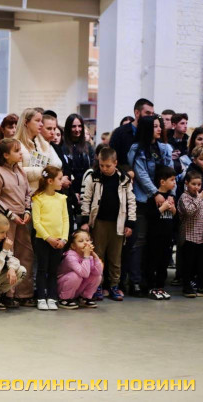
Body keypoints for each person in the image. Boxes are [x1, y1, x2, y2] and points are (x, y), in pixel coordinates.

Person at [80, 147, 136, 302]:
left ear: (115, 163)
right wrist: (85, 220)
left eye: (108, 166)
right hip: (99, 223)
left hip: (118, 223)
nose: (104, 169)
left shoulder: (124, 179)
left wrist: (130, 222)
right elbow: (86, 199)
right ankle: (97, 285)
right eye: (101, 165)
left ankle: (114, 285)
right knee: (97, 255)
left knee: (115, 257)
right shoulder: (93, 178)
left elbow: (131, 201)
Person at [127, 114, 173, 297]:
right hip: (144, 200)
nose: (160, 129)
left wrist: (170, 195)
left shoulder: (164, 148)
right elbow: (141, 174)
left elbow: (170, 173)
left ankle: (154, 282)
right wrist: (155, 193)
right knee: (140, 241)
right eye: (155, 126)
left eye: (160, 125)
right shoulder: (136, 149)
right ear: (147, 129)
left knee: (158, 242)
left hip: (164, 200)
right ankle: (136, 281)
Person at [0, 138, 36, 307]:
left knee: (26, 253)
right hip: (6, 220)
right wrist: (10, 214)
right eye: (16, 151)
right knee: (8, 253)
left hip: (22, 218)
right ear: (5, 155)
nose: (20, 153)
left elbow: (28, 193)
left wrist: (27, 210)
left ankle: (24, 293)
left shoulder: (20, 171)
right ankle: (6, 294)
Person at [31, 166, 68, 310]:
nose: (62, 181)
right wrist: (48, 238)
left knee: (53, 270)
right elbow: (36, 222)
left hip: (59, 241)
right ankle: (41, 297)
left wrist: (64, 239)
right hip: (43, 241)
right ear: (50, 181)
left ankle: (52, 297)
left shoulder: (62, 198)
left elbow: (65, 219)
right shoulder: (38, 198)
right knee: (42, 269)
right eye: (60, 179)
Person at [143, 166, 176, 300]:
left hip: (167, 237)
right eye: (172, 180)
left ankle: (160, 286)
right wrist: (162, 208)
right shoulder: (153, 198)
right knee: (152, 262)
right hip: (154, 237)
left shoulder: (171, 197)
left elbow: (175, 216)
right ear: (162, 182)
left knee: (164, 263)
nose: (174, 183)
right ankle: (151, 287)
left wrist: (173, 209)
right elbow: (149, 216)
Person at [177, 170, 203, 297]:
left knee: (202, 263)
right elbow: (189, 211)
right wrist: (199, 199)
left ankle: (202, 285)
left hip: (201, 236)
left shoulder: (198, 197)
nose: (197, 187)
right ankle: (186, 286)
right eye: (193, 184)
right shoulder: (184, 197)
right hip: (189, 236)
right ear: (186, 183)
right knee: (188, 263)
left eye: (199, 184)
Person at [15, 108, 62, 192]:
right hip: (24, 194)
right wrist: (42, 170)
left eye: (41, 121)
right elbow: (16, 172)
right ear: (26, 122)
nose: (41, 124)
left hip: (44, 194)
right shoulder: (16, 145)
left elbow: (52, 168)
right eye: (37, 121)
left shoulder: (44, 144)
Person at [56, 230, 103, 309]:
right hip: (62, 287)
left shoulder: (89, 256)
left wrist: (95, 256)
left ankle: (84, 298)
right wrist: (86, 256)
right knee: (75, 276)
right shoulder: (70, 256)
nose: (86, 243)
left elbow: (98, 272)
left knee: (97, 276)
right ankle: (64, 299)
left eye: (87, 240)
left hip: (76, 288)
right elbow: (84, 273)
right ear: (73, 246)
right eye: (81, 241)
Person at [110, 98, 155, 172]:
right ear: (137, 113)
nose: (151, 117)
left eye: (152, 114)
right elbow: (113, 158)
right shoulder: (120, 133)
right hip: (126, 174)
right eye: (147, 113)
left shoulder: (153, 132)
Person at [62, 114, 95, 198]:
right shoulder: (62, 146)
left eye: (80, 126)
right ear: (68, 127)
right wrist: (72, 193)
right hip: (68, 189)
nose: (77, 129)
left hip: (86, 189)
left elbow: (92, 167)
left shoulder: (88, 146)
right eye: (73, 126)